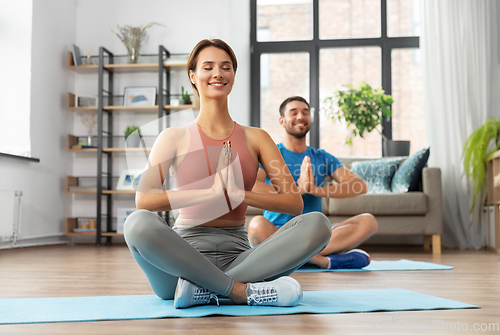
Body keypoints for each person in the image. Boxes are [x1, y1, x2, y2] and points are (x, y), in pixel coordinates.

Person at [123, 40, 332, 309]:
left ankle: (203, 290)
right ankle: (238, 291)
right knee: (136, 223)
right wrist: (210, 193)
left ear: (233, 75)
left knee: (318, 224)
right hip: (180, 260)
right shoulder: (173, 137)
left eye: (226, 67)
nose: (218, 74)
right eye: (208, 67)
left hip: (243, 258)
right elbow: (144, 200)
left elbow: (294, 204)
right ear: (193, 76)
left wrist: (238, 194)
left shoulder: (257, 138)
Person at [247, 96, 378, 270]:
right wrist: (297, 190)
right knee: (256, 225)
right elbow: (252, 186)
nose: (300, 116)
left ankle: (294, 257)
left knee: (368, 221)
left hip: (315, 235)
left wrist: (315, 190)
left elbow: (359, 186)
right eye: (293, 113)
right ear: (282, 120)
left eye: (305, 112)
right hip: (278, 234)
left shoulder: (321, 157)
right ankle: (322, 260)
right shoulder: (271, 153)